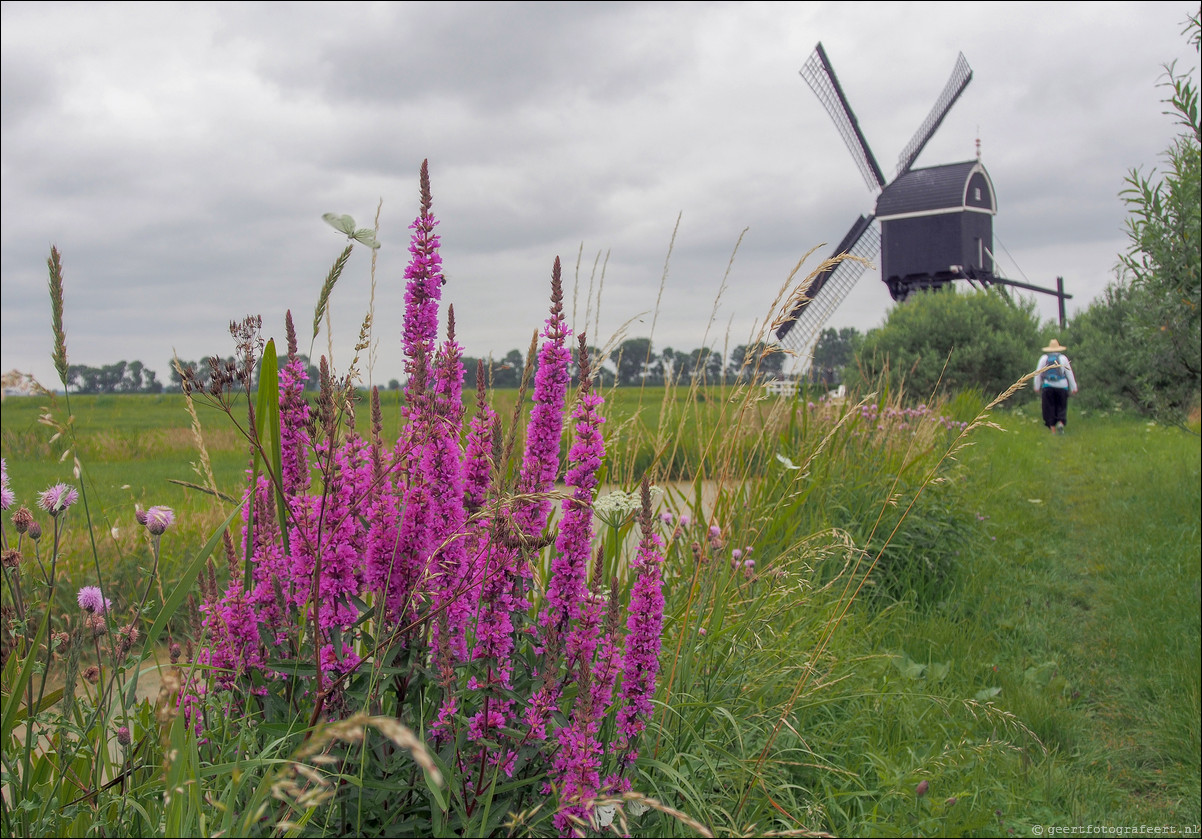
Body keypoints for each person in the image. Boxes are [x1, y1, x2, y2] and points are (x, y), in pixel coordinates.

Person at [1033, 338, 1078, 433]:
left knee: (1049, 407)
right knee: (1061, 406)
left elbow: (1038, 373)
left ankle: (1052, 429)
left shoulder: (1044, 358)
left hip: (1048, 386)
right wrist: (1074, 387)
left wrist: (1037, 386)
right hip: (1062, 386)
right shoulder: (1063, 358)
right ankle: (1061, 423)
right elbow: (1069, 373)